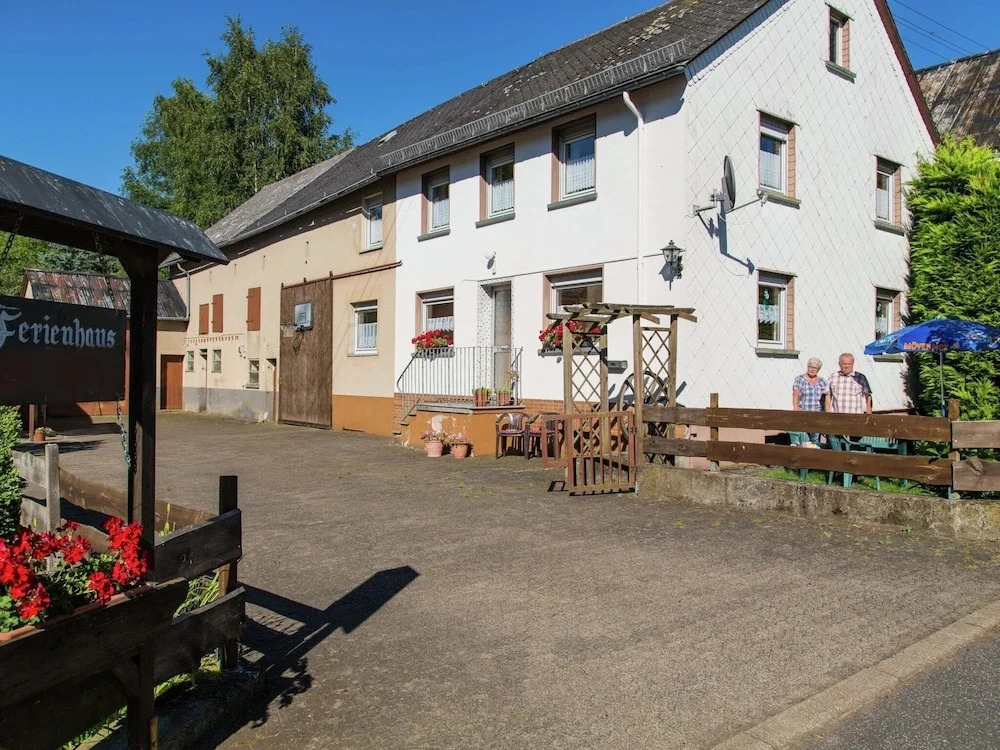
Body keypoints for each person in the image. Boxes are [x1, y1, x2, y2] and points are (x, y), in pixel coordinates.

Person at [791, 357, 826, 446]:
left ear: (818, 369)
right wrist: (796, 409)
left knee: (815, 441)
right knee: (804, 440)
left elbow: (826, 397)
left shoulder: (822, 381)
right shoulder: (800, 379)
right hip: (804, 413)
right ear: (807, 366)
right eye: (811, 367)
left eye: (815, 368)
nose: (812, 369)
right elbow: (796, 394)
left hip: (817, 415)